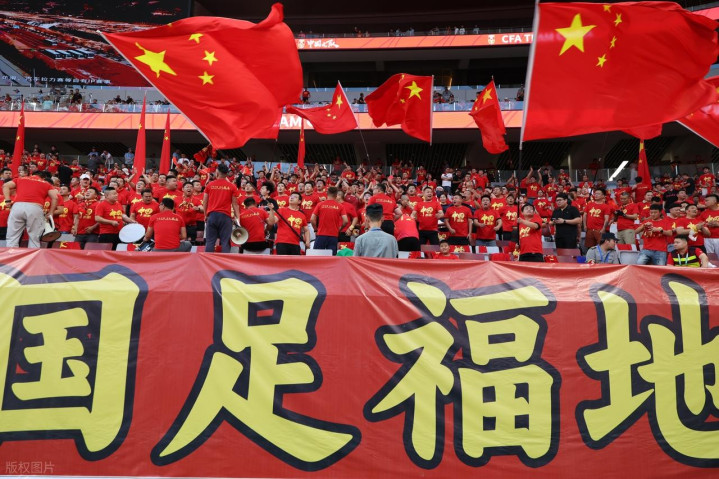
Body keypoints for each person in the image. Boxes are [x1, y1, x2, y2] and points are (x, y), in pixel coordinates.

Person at [3, 171, 58, 248]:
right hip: (35, 207)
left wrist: (8, 201)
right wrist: (51, 212)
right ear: (44, 178)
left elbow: (5, 185)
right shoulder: (46, 183)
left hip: (18, 206)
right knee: (34, 238)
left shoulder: (20, 179)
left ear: (31, 175)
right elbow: (55, 197)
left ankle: (11, 254)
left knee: (12, 237)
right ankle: (33, 255)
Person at [203, 164, 240, 253]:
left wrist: (205, 215)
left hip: (212, 215)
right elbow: (235, 204)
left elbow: (205, 202)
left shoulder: (210, 185)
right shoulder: (232, 186)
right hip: (225, 217)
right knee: (225, 242)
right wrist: (238, 218)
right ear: (227, 174)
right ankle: (224, 261)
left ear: (217, 172)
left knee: (210, 242)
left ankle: (208, 261)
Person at [310, 186, 348, 255]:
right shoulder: (340, 206)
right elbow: (345, 221)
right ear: (336, 195)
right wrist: (339, 229)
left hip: (321, 234)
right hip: (333, 235)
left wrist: (315, 229)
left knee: (317, 256)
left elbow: (312, 219)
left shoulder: (320, 204)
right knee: (331, 258)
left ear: (327, 193)